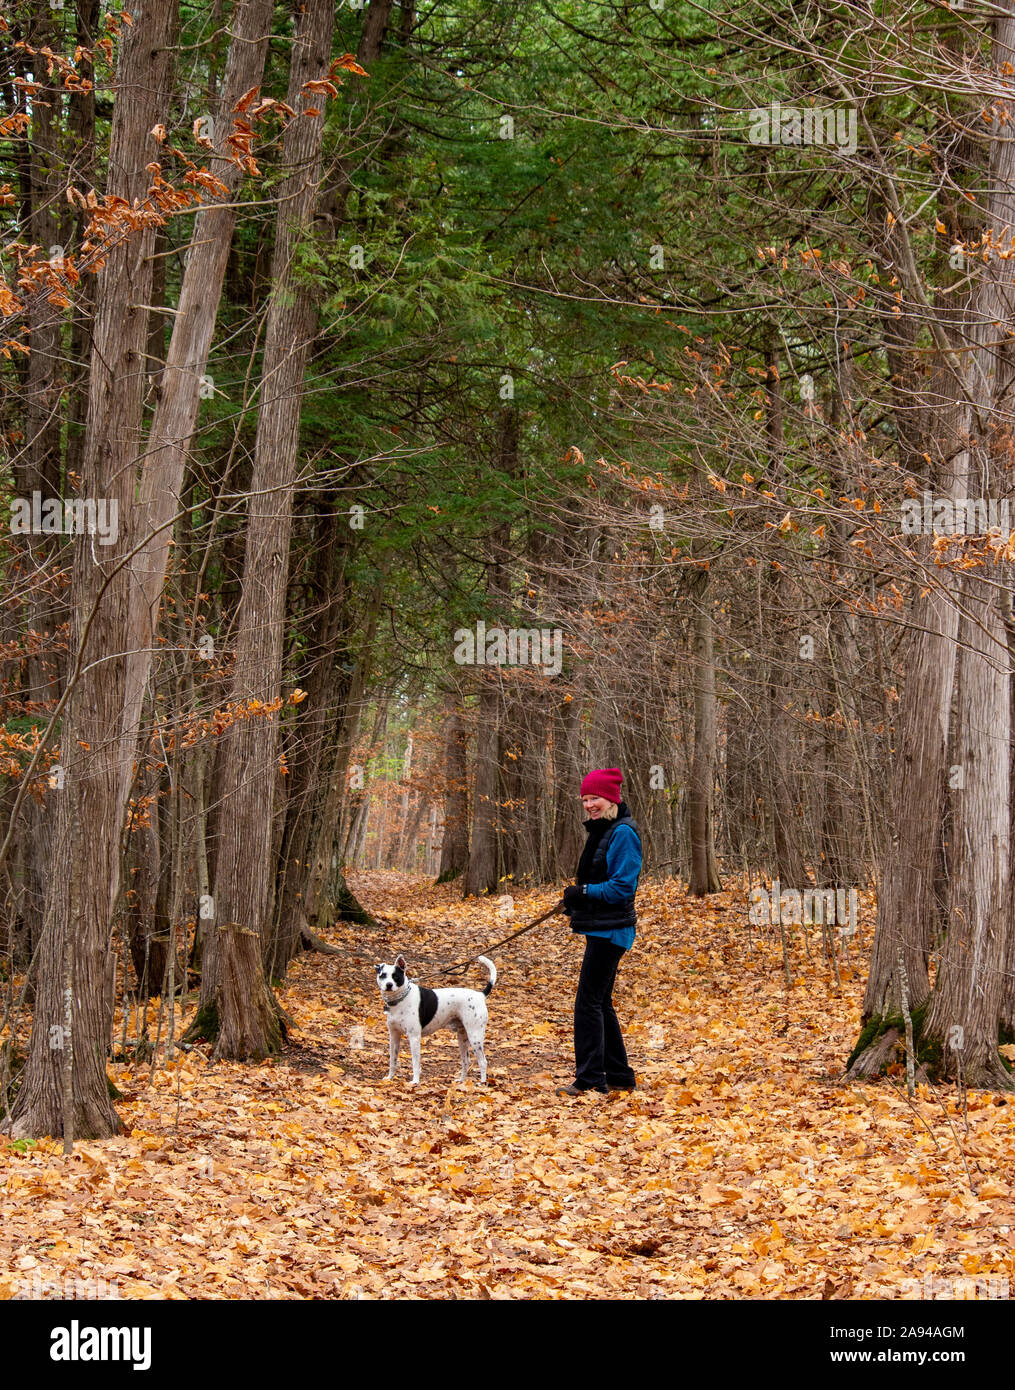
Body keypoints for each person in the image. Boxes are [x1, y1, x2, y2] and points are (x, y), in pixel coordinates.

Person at [555, 767, 641, 1097]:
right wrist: (576, 899)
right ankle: (620, 1076)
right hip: (603, 927)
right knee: (600, 1002)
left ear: (611, 799)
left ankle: (590, 1078)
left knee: (587, 1003)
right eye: (585, 799)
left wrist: (585, 892)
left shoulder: (623, 833)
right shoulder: (604, 830)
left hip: (613, 930)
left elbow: (622, 886)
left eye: (595, 798)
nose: (590, 805)